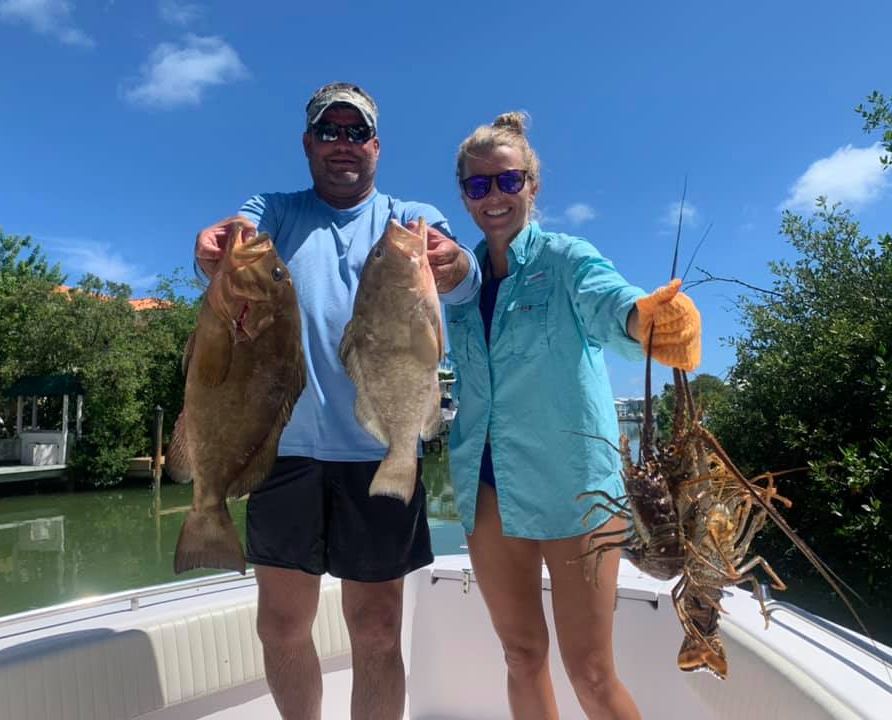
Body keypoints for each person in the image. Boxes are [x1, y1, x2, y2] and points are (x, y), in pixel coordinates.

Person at [193, 82, 480, 720]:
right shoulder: (275, 209)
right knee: (281, 627)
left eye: (357, 133)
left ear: (376, 146)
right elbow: (235, 237)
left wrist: (454, 264)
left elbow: (459, 276)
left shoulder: (408, 218)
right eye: (330, 132)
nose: (343, 145)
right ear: (308, 144)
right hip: (283, 447)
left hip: (383, 448)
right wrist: (212, 246)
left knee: (376, 630)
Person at [446, 112, 701, 720]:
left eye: (508, 181)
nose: (495, 198)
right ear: (464, 197)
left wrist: (649, 321)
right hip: (486, 488)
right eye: (478, 187)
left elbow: (610, 301)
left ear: (533, 184)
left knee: (589, 671)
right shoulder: (461, 279)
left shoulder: (565, 258)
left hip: (578, 489)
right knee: (520, 653)